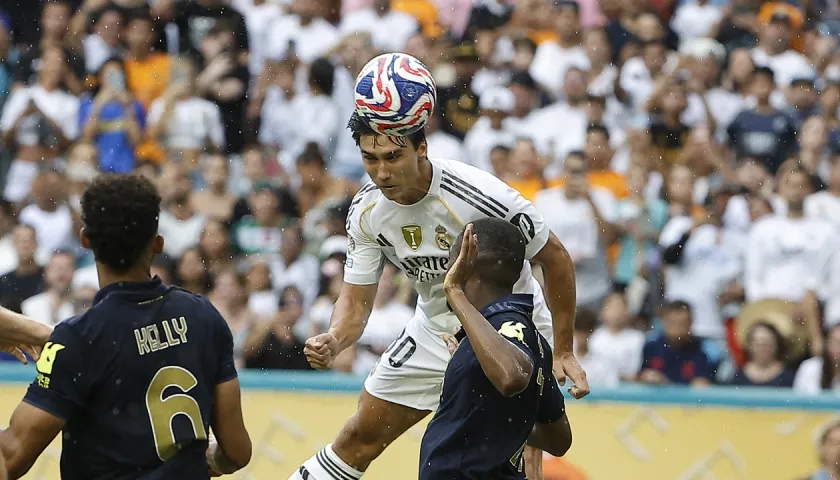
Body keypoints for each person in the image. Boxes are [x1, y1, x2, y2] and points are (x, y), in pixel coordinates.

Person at [289, 112, 587, 480]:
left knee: (517, 464)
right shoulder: (366, 211)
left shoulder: (482, 194)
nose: (381, 172)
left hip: (507, 329)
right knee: (357, 437)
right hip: (435, 327)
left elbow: (555, 257)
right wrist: (335, 339)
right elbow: (355, 301)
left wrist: (563, 349)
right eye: (371, 159)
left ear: (422, 149)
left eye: (392, 157)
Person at [0, 173, 252, 479]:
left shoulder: (79, 339)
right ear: (158, 243)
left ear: (85, 240)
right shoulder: (203, 316)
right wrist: (207, 460)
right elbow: (237, 452)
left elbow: (9, 459)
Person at [419, 220, 572, 479]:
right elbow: (558, 439)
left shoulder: (508, 324)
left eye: (452, 260)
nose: (447, 269)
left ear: (469, 264)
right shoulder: (522, 338)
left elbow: (512, 376)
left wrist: (455, 292)